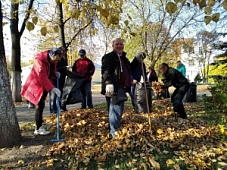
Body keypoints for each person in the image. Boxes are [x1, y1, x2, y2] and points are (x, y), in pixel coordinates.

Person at [21, 48, 62, 135]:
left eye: (58, 60)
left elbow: (50, 70)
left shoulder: (52, 61)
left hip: (44, 85)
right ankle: (38, 128)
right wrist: (52, 88)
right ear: (51, 56)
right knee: (39, 106)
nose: (56, 62)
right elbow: (41, 76)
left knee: (42, 104)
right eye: (56, 59)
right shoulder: (40, 61)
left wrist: (55, 73)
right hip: (36, 85)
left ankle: (40, 123)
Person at [101, 38, 131, 138]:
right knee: (116, 109)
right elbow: (105, 70)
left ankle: (112, 128)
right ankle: (114, 132)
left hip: (121, 87)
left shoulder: (124, 58)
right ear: (113, 46)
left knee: (113, 109)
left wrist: (137, 58)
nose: (119, 46)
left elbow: (130, 68)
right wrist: (108, 82)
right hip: (113, 87)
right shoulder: (109, 57)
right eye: (117, 44)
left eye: (121, 44)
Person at [49, 47, 68, 113]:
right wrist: (63, 68)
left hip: (61, 80)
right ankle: (52, 109)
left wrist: (67, 71)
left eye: (64, 52)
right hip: (54, 80)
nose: (63, 53)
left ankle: (59, 108)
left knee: (60, 94)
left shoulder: (63, 61)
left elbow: (65, 70)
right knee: (53, 95)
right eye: (62, 51)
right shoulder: (54, 59)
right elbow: (54, 69)